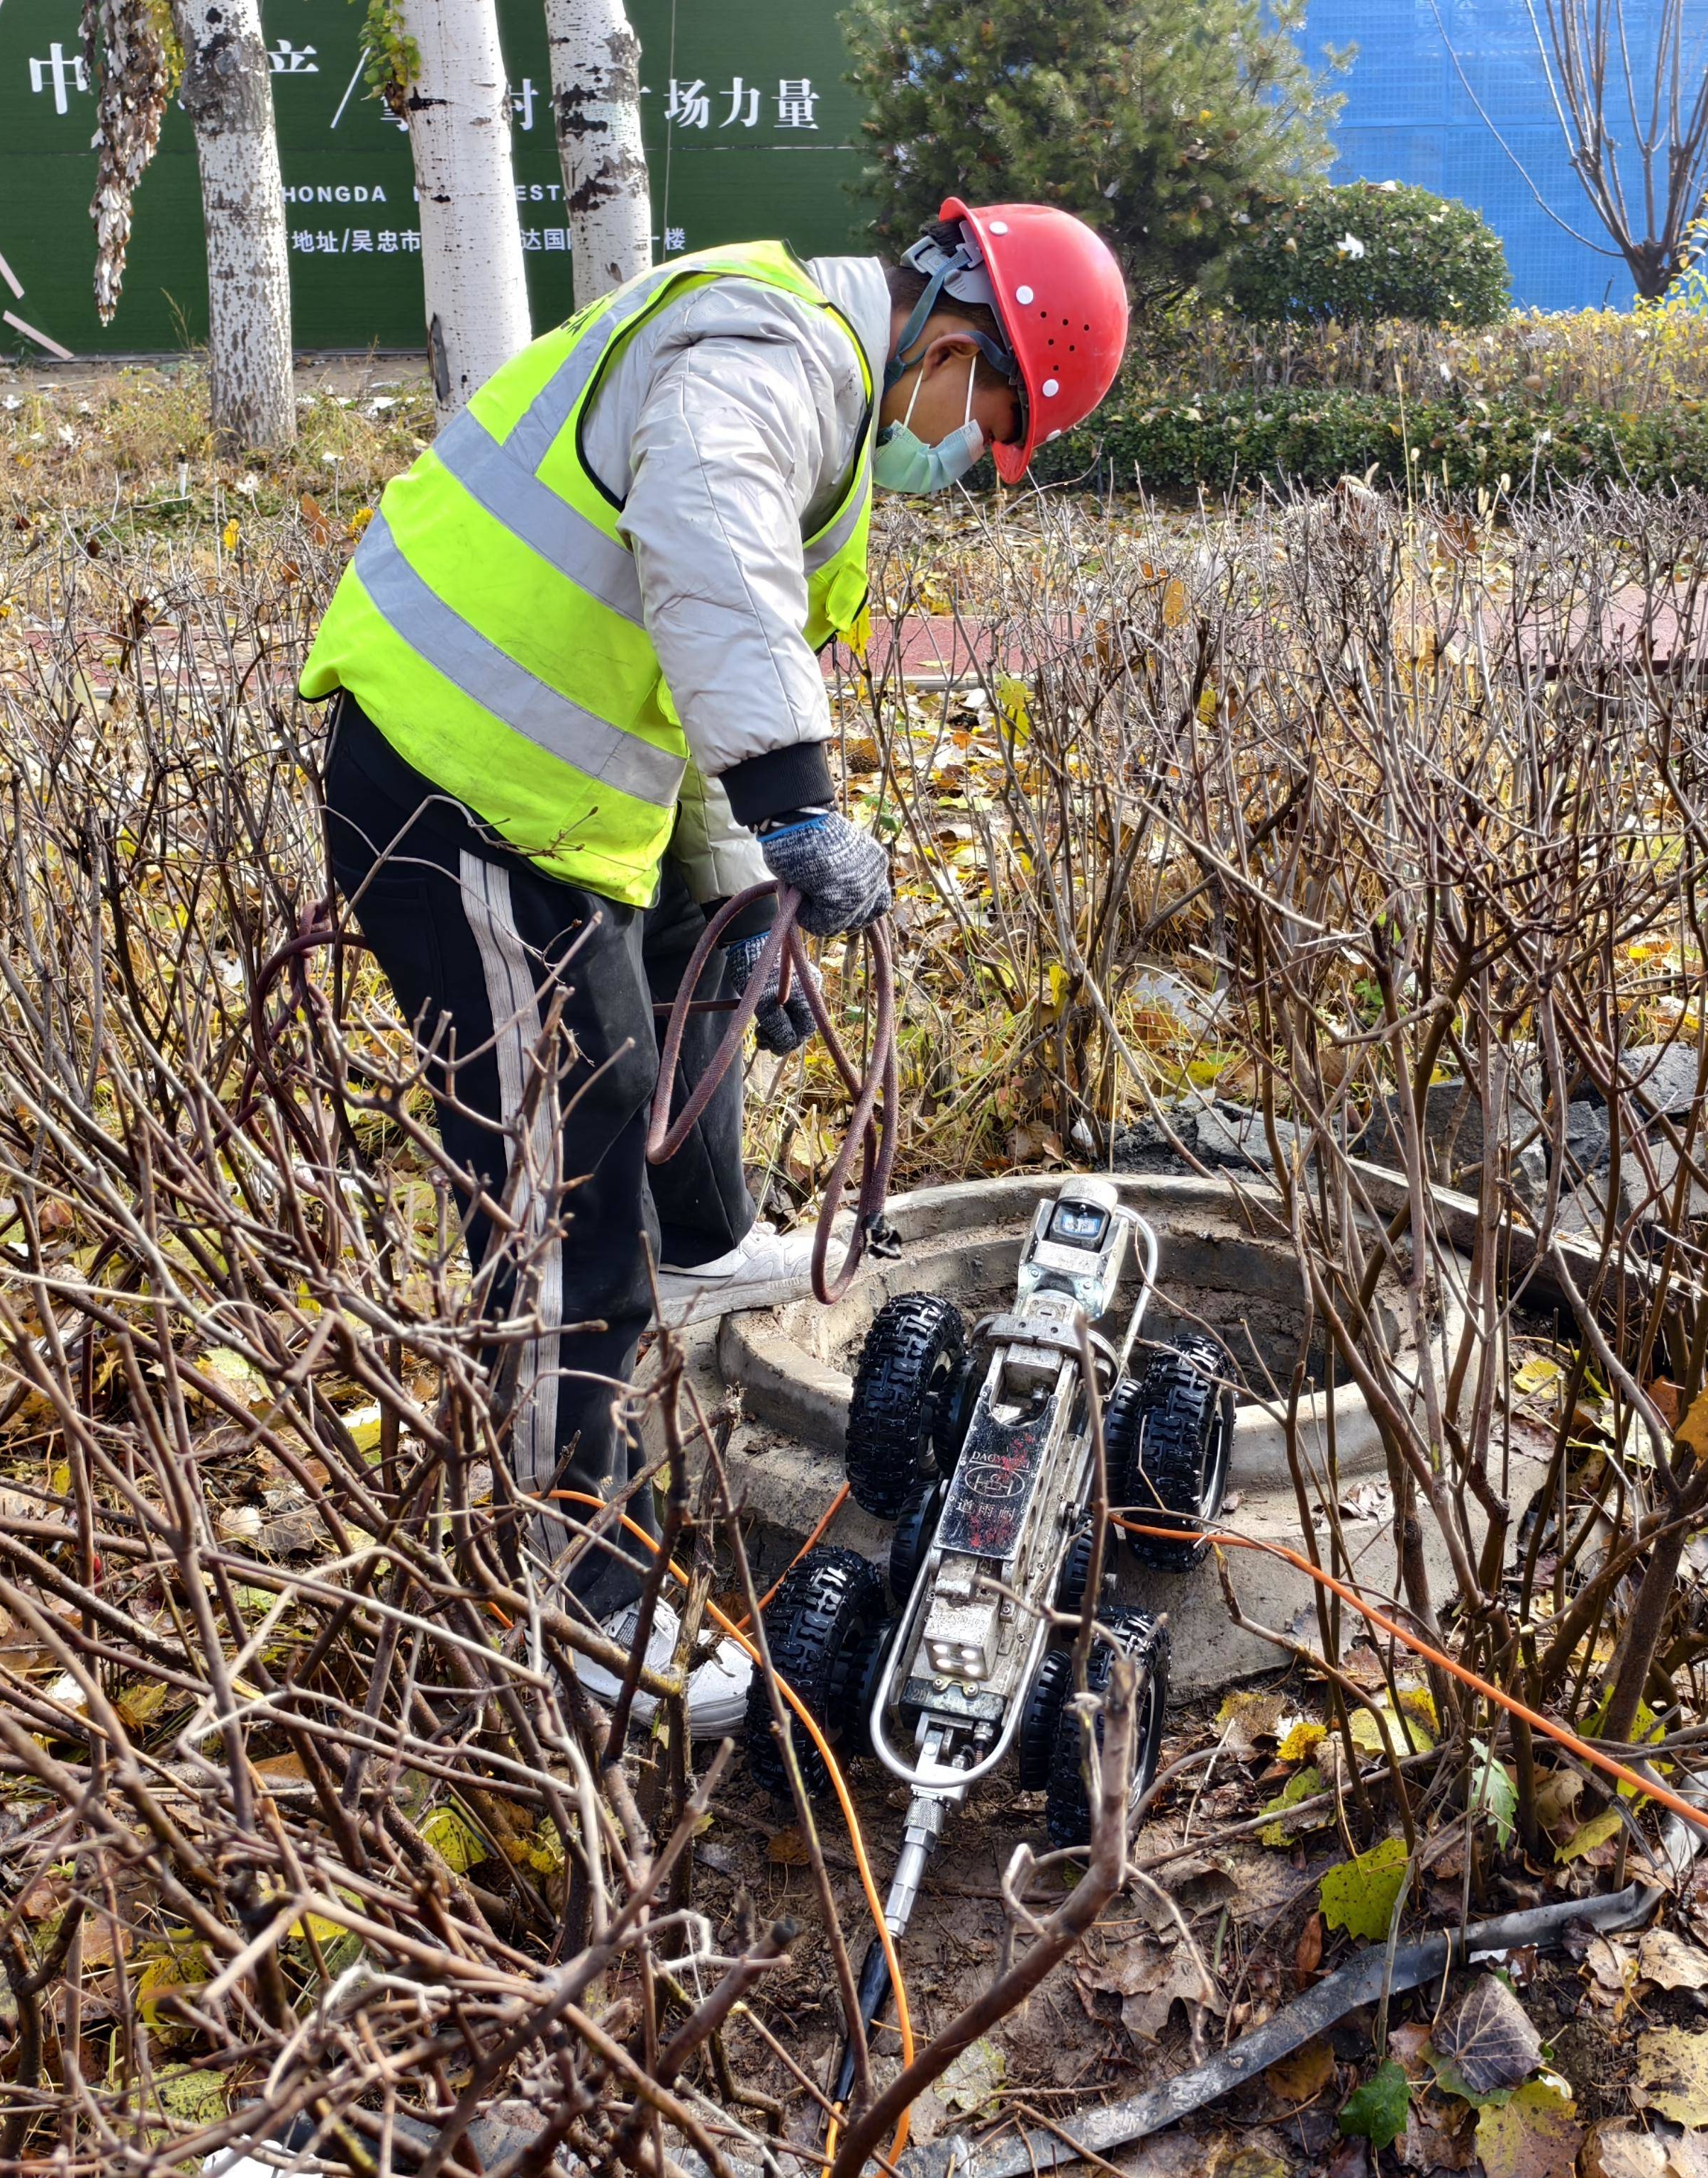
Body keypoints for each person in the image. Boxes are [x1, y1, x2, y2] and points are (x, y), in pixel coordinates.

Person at [296, 200, 1131, 1736]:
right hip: (451, 782)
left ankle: (702, 1248)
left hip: (543, 797)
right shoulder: (768, 356)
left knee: (702, 960)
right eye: (988, 429)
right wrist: (799, 801)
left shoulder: (813, 389)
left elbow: (689, 693)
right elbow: (708, 552)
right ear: (954, 347)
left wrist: (755, 894)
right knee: (564, 1177)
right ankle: (581, 1603)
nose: (963, 460)